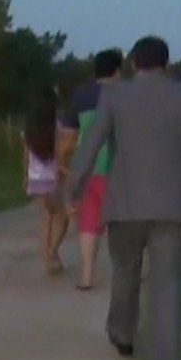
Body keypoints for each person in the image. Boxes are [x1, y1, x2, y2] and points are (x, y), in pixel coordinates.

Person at [66, 36, 181, 360]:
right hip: (171, 206)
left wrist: (73, 187)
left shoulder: (115, 96)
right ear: (166, 63)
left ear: (133, 63)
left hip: (125, 203)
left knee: (126, 273)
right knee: (167, 283)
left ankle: (123, 334)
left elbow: (92, 143)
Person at [59, 49, 123, 291]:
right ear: (117, 70)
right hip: (118, 169)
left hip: (89, 168)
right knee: (121, 224)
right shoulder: (123, 95)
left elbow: (69, 135)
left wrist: (63, 162)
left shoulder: (81, 96)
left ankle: (86, 275)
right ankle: (123, 275)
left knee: (88, 223)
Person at [23, 85, 70, 276]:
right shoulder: (56, 126)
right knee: (62, 217)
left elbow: (26, 154)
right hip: (52, 178)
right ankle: (52, 252)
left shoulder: (29, 127)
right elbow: (59, 153)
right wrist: (64, 169)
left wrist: (25, 175)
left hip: (35, 178)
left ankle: (48, 257)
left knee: (46, 219)